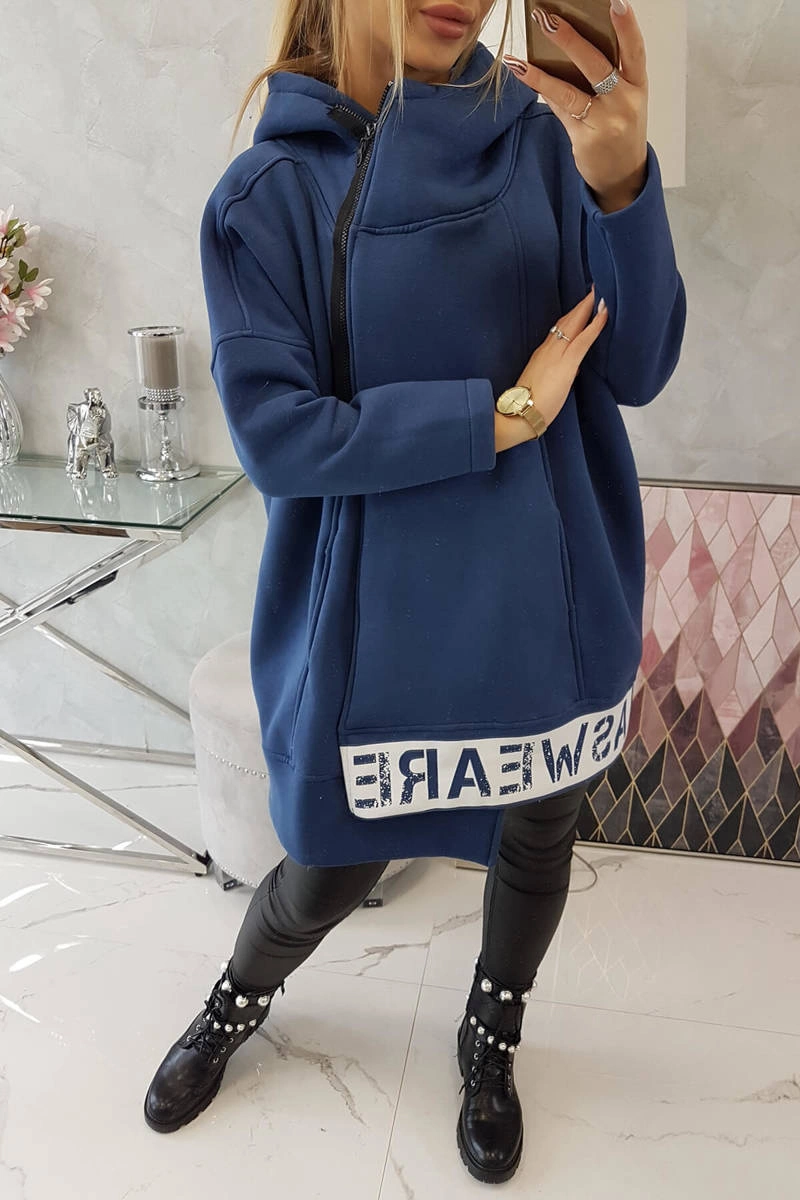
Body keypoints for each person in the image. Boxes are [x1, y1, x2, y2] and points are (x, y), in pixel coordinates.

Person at [144, 0, 686, 1185]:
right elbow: (281, 439)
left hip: (549, 596)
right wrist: (503, 416)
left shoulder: (540, 138)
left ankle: (492, 1031)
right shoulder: (265, 194)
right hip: (374, 626)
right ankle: (238, 998)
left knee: (535, 835)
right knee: (324, 867)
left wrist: (618, 180)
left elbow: (638, 362)